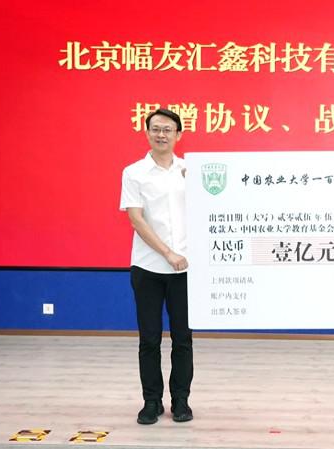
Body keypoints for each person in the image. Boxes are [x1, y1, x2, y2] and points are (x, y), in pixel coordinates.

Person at [120, 109, 194, 425]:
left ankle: (181, 401)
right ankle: (151, 402)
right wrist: (167, 253)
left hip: (185, 269)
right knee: (149, 339)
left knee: (183, 338)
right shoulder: (134, 172)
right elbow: (136, 220)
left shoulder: (190, 171)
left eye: (167, 129)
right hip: (148, 267)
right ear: (147, 132)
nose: (161, 134)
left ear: (178, 134)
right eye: (155, 129)